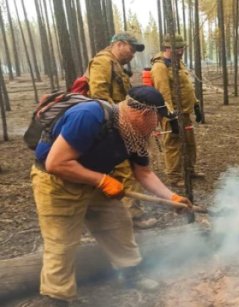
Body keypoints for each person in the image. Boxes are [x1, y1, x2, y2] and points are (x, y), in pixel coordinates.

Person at [29, 86, 192, 306]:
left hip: (96, 180)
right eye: (158, 118)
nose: (158, 125)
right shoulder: (89, 116)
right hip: (57, 183)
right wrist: (103, 181)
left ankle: (130, 272)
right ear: (145, 114)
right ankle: (57, 297)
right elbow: (56, 163)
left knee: (118, 224)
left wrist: (171, 197)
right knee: (62, 242)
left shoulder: (135, 134)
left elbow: (144, 172)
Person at [87, 32, 151, 227]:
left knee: (128, 170)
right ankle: (132, 218)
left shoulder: (116, 65)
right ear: (119, 44)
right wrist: (120, 120)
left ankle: (128, 215)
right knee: (125, 171)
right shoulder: (103, 62)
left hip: (120, 125)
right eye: (131, 49)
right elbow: (98, 96)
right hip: (113, 127)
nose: (132, 55)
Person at [150, 34, 204, 188]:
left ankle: (189, 170)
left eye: (182, 47)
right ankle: (174, 177)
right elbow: (163, 93)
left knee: (189, 143)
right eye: (176, 48)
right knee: (173, 144)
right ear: (167, 48)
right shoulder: (160, 67)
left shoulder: (178, 63)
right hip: (171, 115)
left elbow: (186, 87)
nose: (180, 51)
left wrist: (196, 105)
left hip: (185, 113)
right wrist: (170, 116)